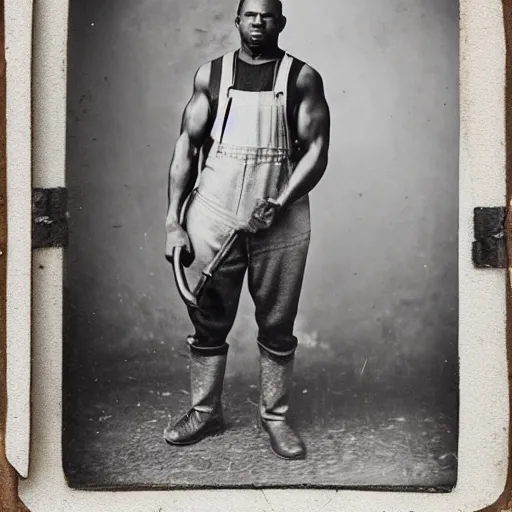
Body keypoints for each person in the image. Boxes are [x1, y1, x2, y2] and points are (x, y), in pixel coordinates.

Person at [163, 0, 330, 460]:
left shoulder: (301, 77)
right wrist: (174, 221)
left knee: (277, 321)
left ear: (281, 22)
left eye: (267, 16)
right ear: (237, 21)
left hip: (281, 211)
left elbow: (317, 149)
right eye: (250, 15)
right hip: (214, 208)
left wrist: (279, 202)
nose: (258, 23)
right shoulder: (210, 76)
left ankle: (274, 417)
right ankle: (204, 411)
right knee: (208, 313)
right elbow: (186, 148)